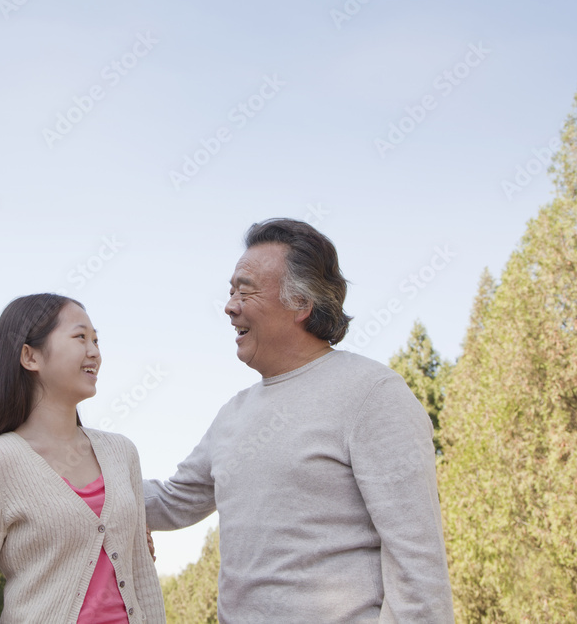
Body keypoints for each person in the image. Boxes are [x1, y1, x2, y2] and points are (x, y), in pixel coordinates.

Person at [144, 218, 455, 622]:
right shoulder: (232, 414)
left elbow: (419, 566)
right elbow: (171, 503)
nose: (229, 305)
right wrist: (64, 466)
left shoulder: (371, 393)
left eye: (245, 289)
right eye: (230, 290)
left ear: (301, 303)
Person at [0, 294, 164, 624]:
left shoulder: (122, 452)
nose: (94, 351)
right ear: (29, 357)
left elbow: (142, 577)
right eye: (80, 337)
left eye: (96, 339)